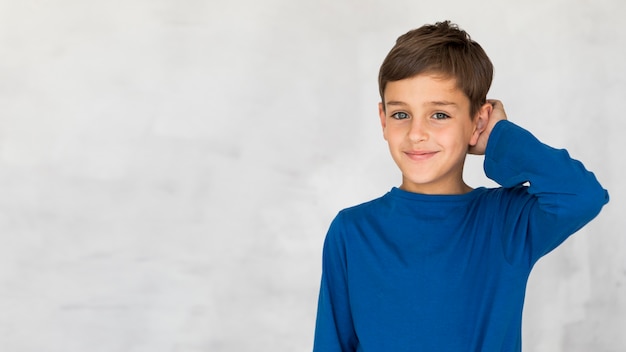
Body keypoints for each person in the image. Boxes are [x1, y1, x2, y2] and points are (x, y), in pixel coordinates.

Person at [312, 20, 609, 351]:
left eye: (439, 115)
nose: (416, 133)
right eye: (401, 115)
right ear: (383, 119)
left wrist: (500, 137)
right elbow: (332, 344)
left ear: (477, 122)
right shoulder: (351, 231)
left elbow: (582, 195)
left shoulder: (507, 221)